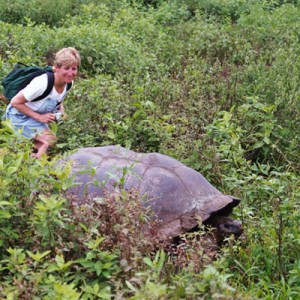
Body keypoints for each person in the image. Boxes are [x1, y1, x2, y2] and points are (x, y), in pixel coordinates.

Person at [5, 47, 81, 158]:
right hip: (18, 115)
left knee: (42, 144)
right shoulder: (42, 83)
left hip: (33, 116)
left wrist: (61, 110)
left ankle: (30, 163)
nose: (70, 73)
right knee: (49, 139)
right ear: (57, 68)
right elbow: (15, 102)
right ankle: (35, 163)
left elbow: (58, 99)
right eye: (66, 68)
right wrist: (39, 118)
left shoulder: (69, 83)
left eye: (74, 69)